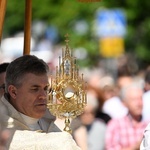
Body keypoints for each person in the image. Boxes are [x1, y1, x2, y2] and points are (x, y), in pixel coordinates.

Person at [0, 55, 81, 149]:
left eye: (46, 88)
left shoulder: (46, 121)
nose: (43, 95)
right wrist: (63, 142)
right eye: (35, 89)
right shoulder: (3, 128)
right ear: (13, 92)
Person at [105, 81, 148, 150]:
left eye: (140, 98)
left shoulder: (148, 123)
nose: (139, 103)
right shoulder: (115, 125)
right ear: (124, 103)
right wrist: (136, 147)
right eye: (134, 100)